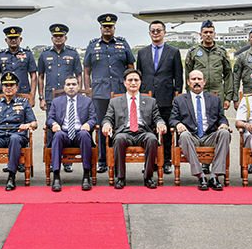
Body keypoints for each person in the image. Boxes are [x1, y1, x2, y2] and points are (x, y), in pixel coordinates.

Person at [84, 13, 135, 174]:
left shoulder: (122, 44)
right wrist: (88, 91)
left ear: (114, 28)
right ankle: (102, 160)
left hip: (120, 93)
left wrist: (131, 87)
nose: (107, 29)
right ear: (101, 28)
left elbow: (130, 66)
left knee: (119, 126)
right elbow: (86, 71)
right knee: (100, 126)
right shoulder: (92, 46)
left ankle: (117, 157)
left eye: (110, 26)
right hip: (99, 93)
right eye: (105, 26)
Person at [102, 69, 166, 189]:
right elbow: (107, 118)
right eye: (130, 80)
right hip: (124, 132)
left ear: (140, 82)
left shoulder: (150, 101)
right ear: (125, 83)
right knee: (119, 138)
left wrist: (160, 123)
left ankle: (148, 177)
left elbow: (157, 118)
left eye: (136, 80)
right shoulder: (114, 101)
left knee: (152, 138)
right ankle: (120, 178)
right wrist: (106, 124)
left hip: (143, 132)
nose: (133, 83)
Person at [170, 69, 231, 191]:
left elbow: (221, 118)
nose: (196, 82)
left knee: (225, 133)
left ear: (204, 82)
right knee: (184, 135)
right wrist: (178, 124)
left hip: (209, 136)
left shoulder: (214, 99)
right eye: (193, 79)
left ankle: (215, 175)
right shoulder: (180, 100)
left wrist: (223, 124)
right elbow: (172, 119)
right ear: (188, 82)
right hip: (191, 137)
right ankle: (200, 175)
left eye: (199, 79)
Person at [136, 20, 183, 175]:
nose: (155, 33)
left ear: (164, 32)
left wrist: (176, 96)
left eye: (158, 30)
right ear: (149, 33)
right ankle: (151, 161)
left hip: (166, 97)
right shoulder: (142, 53)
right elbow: (139, 76)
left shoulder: (173, 52)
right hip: (147, 98)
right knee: (148, 131)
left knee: (167, 132)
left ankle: (167, 161)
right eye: (153, 30)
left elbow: (178, 76)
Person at [0, 72, 37, 191]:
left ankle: (11, 176)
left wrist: (27, 125)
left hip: (17, 137)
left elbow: (35, 123)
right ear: (2, 88)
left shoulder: (24, 103)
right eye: (5, 85)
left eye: (11, 85)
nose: (8, 88)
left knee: (14, 138)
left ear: (16, 87)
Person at [37, 23, 83, 173]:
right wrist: (42, 98)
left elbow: (79, 75)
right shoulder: (44, 54)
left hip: (69, 97)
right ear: (52, 38)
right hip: (51, 99)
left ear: (65, 38)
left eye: (61, 36)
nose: (58, 38)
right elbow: (41, 77)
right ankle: (52, 159)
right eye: (55, 36)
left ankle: (67, 161)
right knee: (52, 128)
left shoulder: (73, 53)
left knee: (69, 126)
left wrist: (78, 93)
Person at [46, 74, 96, 192]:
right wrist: (54, 124)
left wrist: (88, 124)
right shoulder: (56, 101)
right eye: (68, 84)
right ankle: (57, 176)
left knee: (84, 135)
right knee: (57, 136)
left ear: (79, 87)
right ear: (64, 87)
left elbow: (93, 118)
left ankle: (86, 175)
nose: (71, 87)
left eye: (74, 84)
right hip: (63, 133)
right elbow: (49, 118)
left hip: (80, 133)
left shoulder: (87, 101)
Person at [184, 20, 233, 110]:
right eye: (205, 32)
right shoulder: (193, 52)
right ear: (201, 34)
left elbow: (228, 74)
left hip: (217, 92)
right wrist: (189, 93)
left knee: (218, 119)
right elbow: (188, 73)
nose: (208, 34)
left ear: (214, 34)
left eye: (211, 32)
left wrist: (228, 97)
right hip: (198, 91)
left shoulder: (221, 51)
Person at [0, 26, 38, 106]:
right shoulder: (0, 55)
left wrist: (32, 96)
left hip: (23, 93)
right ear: (6, 40)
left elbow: (33, 76)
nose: (13, 40)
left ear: (20, 39)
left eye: (16, 38)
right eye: (10, 38)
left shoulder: (28, 54)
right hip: (5, 94)